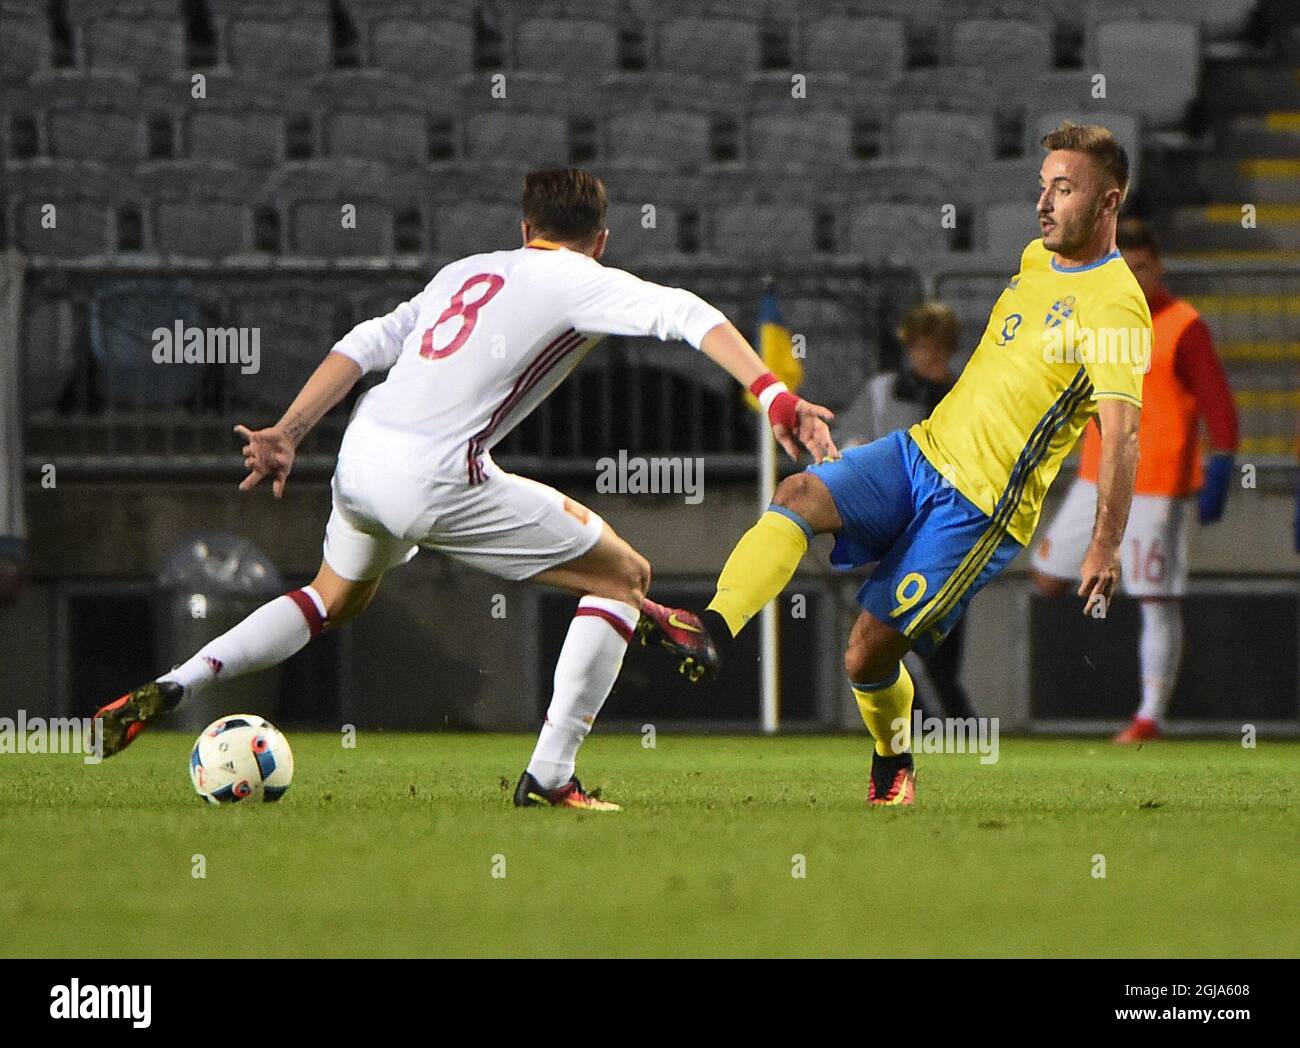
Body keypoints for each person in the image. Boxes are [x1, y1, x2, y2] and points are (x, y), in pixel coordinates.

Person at [93, 169, 837, 810]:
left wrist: (288, 431)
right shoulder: (583, 279)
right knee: (623, 575)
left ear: (524, 226)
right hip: (437, 475)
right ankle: (551, 776)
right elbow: (688, 314)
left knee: (328, 599)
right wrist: (775, 396)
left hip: (362, 453)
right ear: (602, 239)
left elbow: (364, 342)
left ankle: (178, 682)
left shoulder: (465, 272)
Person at [641, 123, 1150, 806]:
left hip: (979, 506)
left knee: (865, 652)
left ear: (1108, 201)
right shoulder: (1036, 261)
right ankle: (711, 626)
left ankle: (893, 758)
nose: (1044, 203)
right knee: (799, 493)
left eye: (1065, 189)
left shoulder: (1117, 306)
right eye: (1042, 187)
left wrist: (1105, 545)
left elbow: (1119, 434)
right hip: (919, 453)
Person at [1031, 217, 1238, 742]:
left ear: (1158, 266)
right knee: (1048, 575)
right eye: (1127, 267)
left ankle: (1149, 717)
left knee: (1155, 598)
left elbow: (1219, 405)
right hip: (1096, 477)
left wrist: (1221, 464)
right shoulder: (1102, 318)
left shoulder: (1183, 325)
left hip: (1156, 486)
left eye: (1143, 267)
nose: (1136, 277)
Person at [832, 302, 977, 721]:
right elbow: (851, 444)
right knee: (891, 640)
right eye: (920, 348)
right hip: (899, 533)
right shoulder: (884, 392)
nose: (927, 358)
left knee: (941, 645)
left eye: (936, 349)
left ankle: (951, 723)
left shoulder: (966, 394)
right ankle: (923, 723)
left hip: (951, 532)